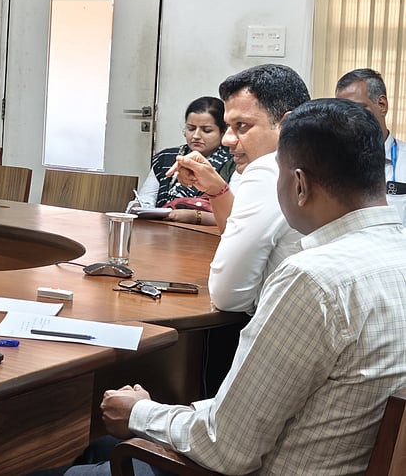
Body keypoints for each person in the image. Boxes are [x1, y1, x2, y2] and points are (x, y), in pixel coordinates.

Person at [40, 98, 406, 476]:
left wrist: (138, 412)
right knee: (100, 446)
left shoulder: (313, 280)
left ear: (299, 184)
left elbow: (227, 449)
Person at [169, 64, 309, 314]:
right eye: (228, 126)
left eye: (242, 126)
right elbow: (238, 235)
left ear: (287, 125)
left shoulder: (271, 168)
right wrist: (217, 189)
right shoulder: (313, 161)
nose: (227, 140)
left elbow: (227, 297)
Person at [136, 96, 235, 226]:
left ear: (223, 132)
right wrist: (138, 206)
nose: (196, 136)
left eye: (206, 130)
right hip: (160, 228)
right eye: (191, 128)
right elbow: (145, 200)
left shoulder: (233, 162)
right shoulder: (167, 157)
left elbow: (233, 218)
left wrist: (194, 216)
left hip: (206, 235)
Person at [335, 68, 406, 223]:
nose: (349, 119)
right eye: (343, 112)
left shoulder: (404, 161)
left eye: (357, 109)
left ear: (382, 105)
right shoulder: (333, 163)